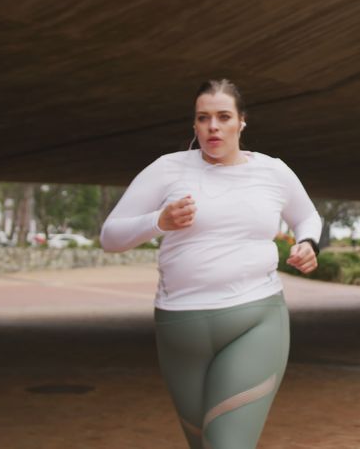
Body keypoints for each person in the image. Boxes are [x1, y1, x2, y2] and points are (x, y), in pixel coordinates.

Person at [100, 79, 322, 449]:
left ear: (241, 122)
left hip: (254, 319)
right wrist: (159, 221)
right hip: (178, 328)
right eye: (203, 118)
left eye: (223, 117)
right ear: (194, 125)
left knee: (226, 445)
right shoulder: (167, 169)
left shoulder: (272, 172)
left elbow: (308, 216)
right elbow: (110, 237)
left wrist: (308, 242)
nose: (213, 127)